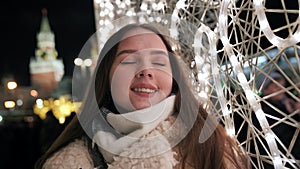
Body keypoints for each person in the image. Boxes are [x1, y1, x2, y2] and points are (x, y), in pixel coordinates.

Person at [35, 23, 250, 169]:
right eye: (128, 61)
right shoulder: (67, 162)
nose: (145, 70)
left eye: (158, 62)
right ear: (106, 77)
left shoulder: (212, 147)